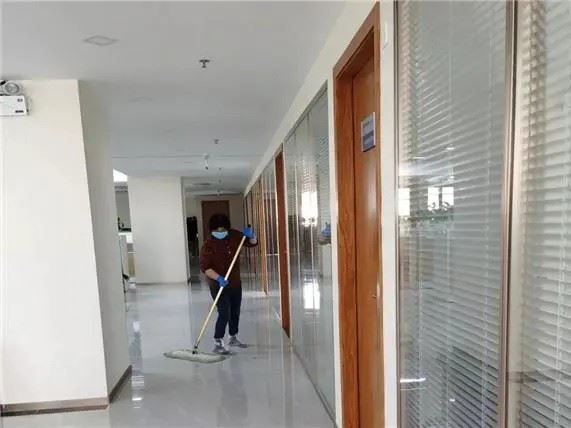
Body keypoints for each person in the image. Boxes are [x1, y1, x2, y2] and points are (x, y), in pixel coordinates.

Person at [199, 213, 258, 355]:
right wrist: (218, 278)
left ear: (227, 228)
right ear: (212, 230)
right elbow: (205, 268)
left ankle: (233, 337)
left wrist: (251, 235)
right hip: (217, 284)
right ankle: (218, 341)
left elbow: (252, 243)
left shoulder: (235, 236)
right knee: (224, 311)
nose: (220, 232)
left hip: (235, 282)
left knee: (235, 311)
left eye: (223, 230)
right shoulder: (208, 245)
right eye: (217, 230)